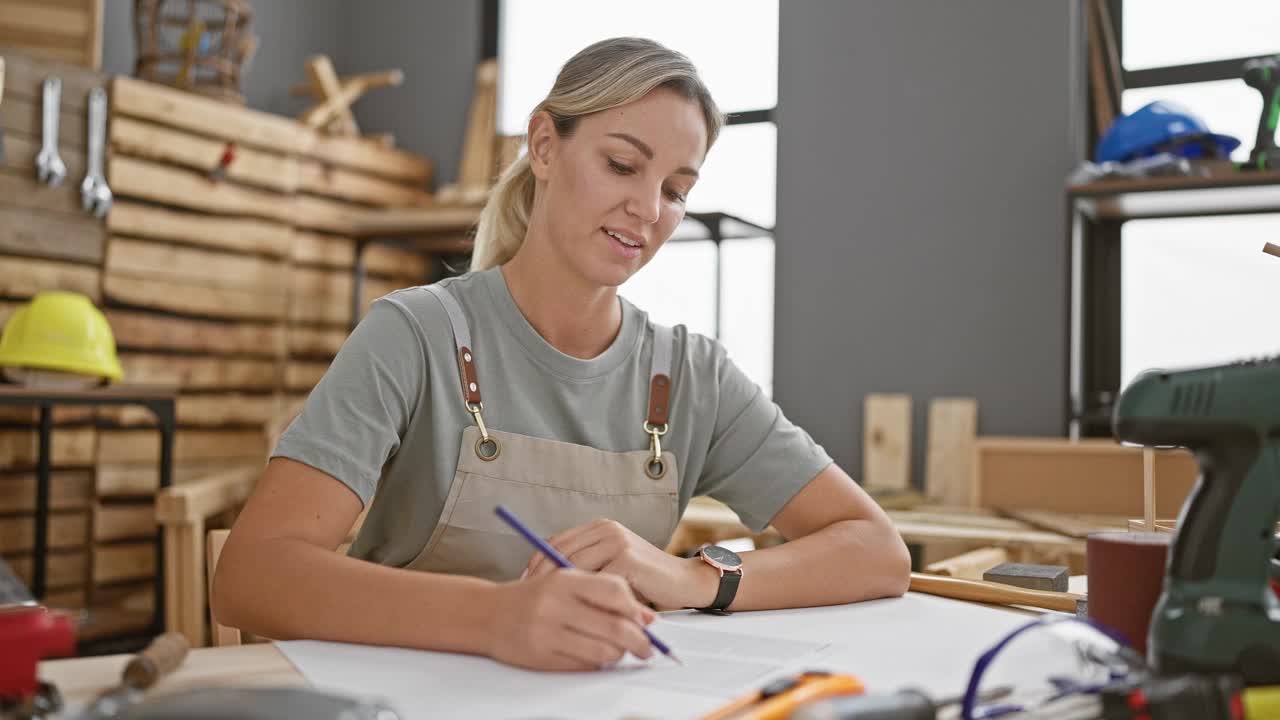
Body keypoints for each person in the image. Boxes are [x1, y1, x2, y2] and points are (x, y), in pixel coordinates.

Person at [213, 37, 909, 672]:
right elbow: (253, 577)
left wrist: (691, 578)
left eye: (675, 191)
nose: (647, 208)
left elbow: (877, 551)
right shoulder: (415, 335)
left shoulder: (691, 376)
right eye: (622, 165)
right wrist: (493, 618)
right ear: (544, 146)